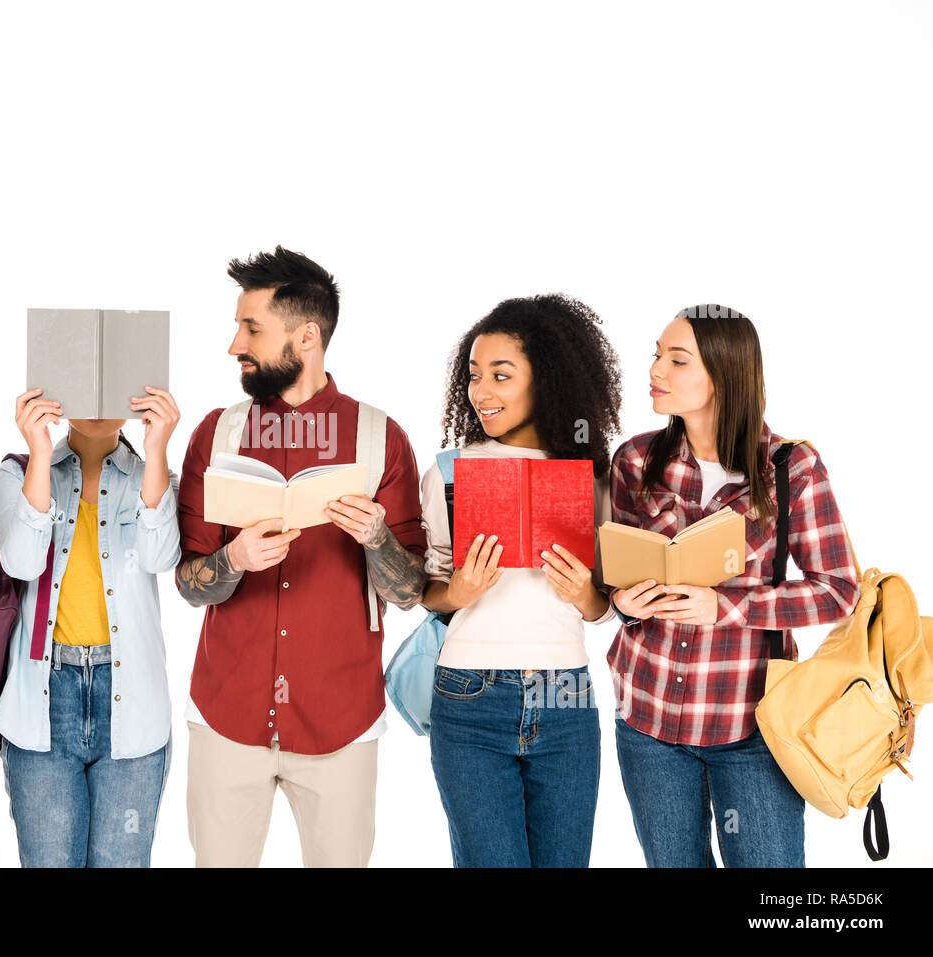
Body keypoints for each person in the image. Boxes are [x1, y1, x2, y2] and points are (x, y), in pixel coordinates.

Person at [175, 246, 427, 867]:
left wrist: (377, 539)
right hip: (226, 712)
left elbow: (410, 592)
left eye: (251, 328)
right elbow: (188, 585)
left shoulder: (380, 437)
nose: (235, 343)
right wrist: (233, 559)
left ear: (306, 336)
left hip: (341, 720)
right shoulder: (216, 433)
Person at [608, 304, 860, 867]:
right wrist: (623, 603)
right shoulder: (635, 460)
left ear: (724, 375)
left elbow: (839, 590)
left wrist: (725, 606)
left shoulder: (792, 468)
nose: (655, 370)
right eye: (656, 355)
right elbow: (613, 580)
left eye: (676, 360)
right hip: (646, 721)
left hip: (751, 729)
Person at [419, 294, 621, 867]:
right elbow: (427, 590)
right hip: (468, 694)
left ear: (546, 380)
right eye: (475, 376)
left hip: (566, 695)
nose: (481, 391)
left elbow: (607, 608)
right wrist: (459, 591)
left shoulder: (591, 475)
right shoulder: (451, 472)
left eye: (501, 376)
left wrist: (586, 595)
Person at [0, 385, 181, 867]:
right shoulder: (17, 472)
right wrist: (38, 451)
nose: (96, 403)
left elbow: (161, 556)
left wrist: (156, 449)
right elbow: (22, 562)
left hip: (131, 702)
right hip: (42, 701)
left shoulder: (152, 476)